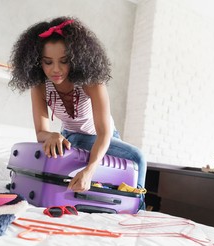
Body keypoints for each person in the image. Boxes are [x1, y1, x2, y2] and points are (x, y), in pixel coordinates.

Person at [9, 16, 146, 208]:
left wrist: (90, 170)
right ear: (37, 62)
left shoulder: (92, 82)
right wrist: (52, 135)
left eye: (64, 61)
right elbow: (41, 132)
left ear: (75, 58)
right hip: (70, 137)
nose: (55, 69)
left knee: (137, 158)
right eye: (48, 62)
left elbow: (104, 133)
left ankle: (136, 207)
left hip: (99, 137)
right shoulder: (40, 86)